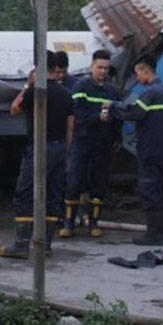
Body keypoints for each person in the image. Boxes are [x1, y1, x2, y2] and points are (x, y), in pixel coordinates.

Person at [0, 51, 73, 258]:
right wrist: (67, 153)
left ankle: (21, 245)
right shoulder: (66, 93)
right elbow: (70, 125)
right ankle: (46, 244)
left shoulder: (35, 91)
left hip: (39, 148)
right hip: (59, 148)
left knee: (25, 192)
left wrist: (28, 86)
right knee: (53, 194)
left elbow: (14, 109)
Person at [110, 55, 163, 245]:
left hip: (150, 151)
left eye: (137, 74)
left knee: (150, 191)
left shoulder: (150, 93)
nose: (138, 79)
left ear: (145, 70)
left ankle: (154, 235)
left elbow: (134, 114)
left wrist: (113, 107)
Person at [60, 49, 122, 239]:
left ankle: (93, 223)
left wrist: (117, 137)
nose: (103, 71)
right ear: (92, 66)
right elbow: (77, 114)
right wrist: (98, 116)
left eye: (106, 68)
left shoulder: (113, 91)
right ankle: (69, 224)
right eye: (99, 67)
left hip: (103, 144)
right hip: (82, 141)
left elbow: (118, 117)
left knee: (99, 183)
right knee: (75, 181)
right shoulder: (81, 86)